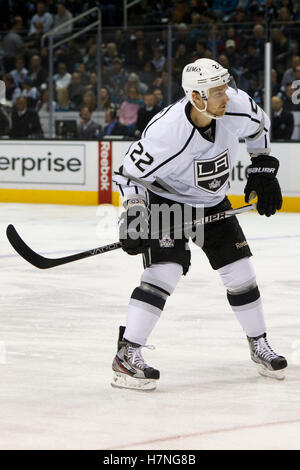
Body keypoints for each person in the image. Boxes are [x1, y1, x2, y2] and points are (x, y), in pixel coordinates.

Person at [112, 58, 287, 391]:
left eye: (225, 86)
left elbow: (259, 128)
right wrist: (135, 212)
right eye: (216, 91)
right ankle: (127, 353)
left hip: (211, 201)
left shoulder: (236, 106)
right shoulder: (166, 132)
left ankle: (258, 343)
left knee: (241, 273)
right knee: (165, 271)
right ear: (195, 97)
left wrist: (262, 167)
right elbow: (127, 174)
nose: (226, 95)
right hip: (167, 199)